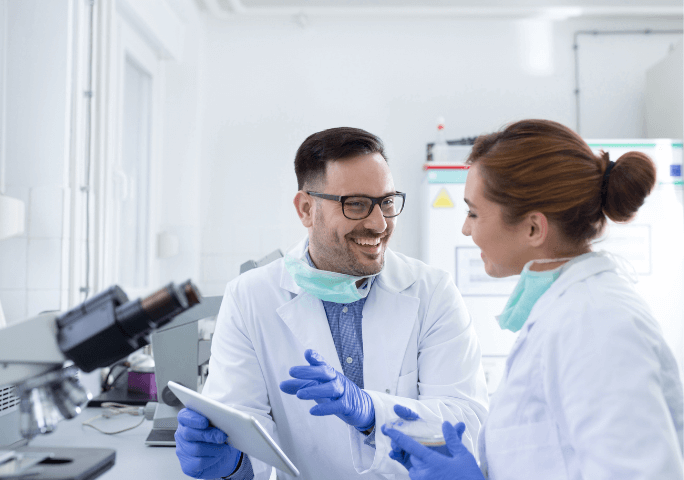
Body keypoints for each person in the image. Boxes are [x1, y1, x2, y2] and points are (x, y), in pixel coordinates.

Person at [174, 127, 489, 480]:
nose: (379, 223)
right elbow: (246, 432)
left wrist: (373, 413)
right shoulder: (250, 297)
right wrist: (233, 465)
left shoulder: (432, 293)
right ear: (306, 209)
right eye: (355, 204)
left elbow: (467, 423)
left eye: (386, 201)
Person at [381, 119, 684, 479]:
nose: (465, 228)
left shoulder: (594, 323)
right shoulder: (569, 313)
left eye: (474, 213)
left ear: (533, 228)